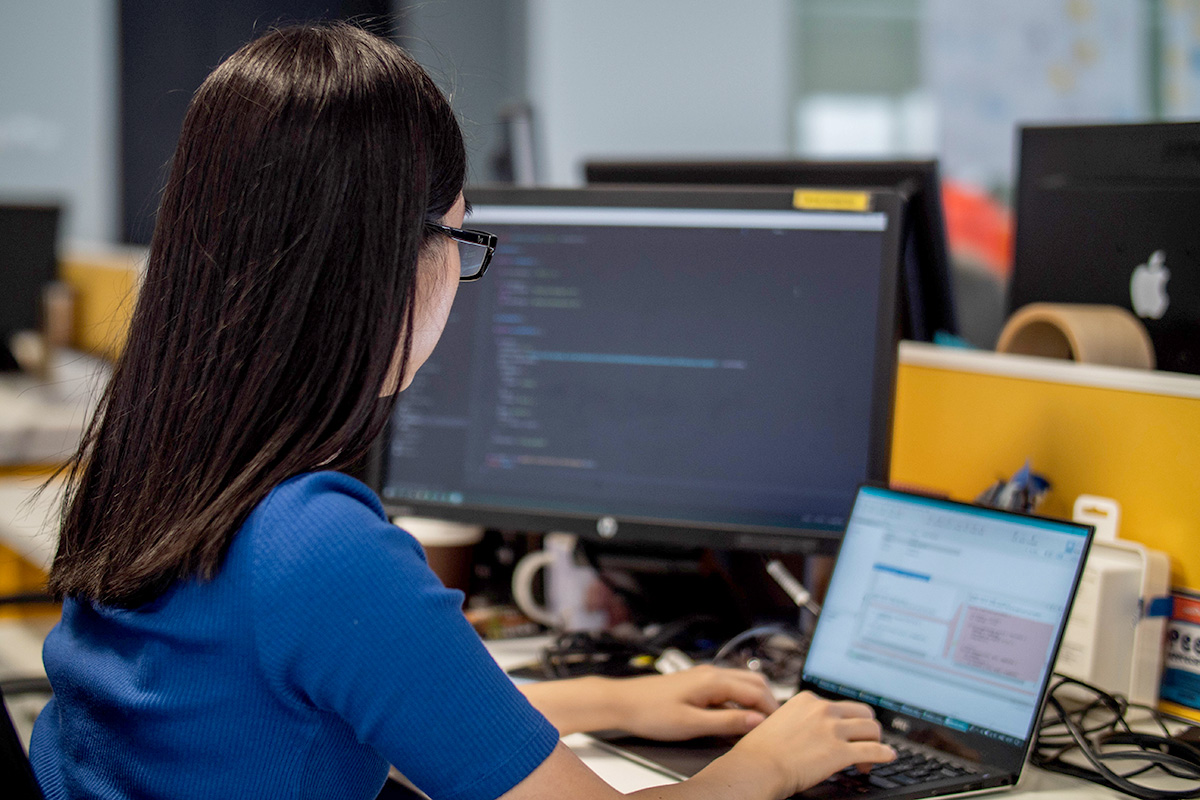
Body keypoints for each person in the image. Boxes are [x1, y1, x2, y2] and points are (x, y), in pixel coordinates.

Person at [30, 22, 894, 800]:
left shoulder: (151, 466)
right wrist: (770, 762)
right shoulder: (317, 548)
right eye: (462, 237)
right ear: (385, 262)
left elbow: (353, 691)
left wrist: (615, 698)